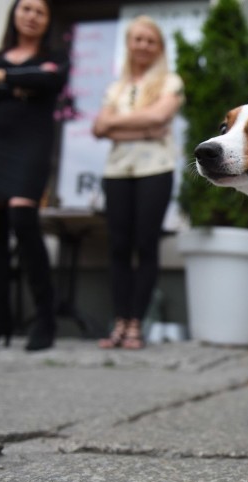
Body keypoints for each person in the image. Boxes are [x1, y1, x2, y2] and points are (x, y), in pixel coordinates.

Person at [0, 0, 69, 352]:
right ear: (15, 14)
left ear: (47, 20)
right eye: (26, 8)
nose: (32, 16)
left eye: (40, 11)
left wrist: (5, 78)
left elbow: (53, 79)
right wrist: (22, 85)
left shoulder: (56, 55)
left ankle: (45, 319)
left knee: (24, 222)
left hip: (31, 145)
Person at [92, 15, 184, 350]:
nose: (143, 45)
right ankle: (118, 321)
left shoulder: (170, 82)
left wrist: (117, 125)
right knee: (117, 247)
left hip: (154, 170)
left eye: (150, 40)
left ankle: (135, 325)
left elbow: (160, 118)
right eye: (138, 39)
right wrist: (142, 129)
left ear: (159, 47)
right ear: (129, 44)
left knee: (145, 245)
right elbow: (98, 128)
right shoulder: (115, 87)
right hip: (117, 171)